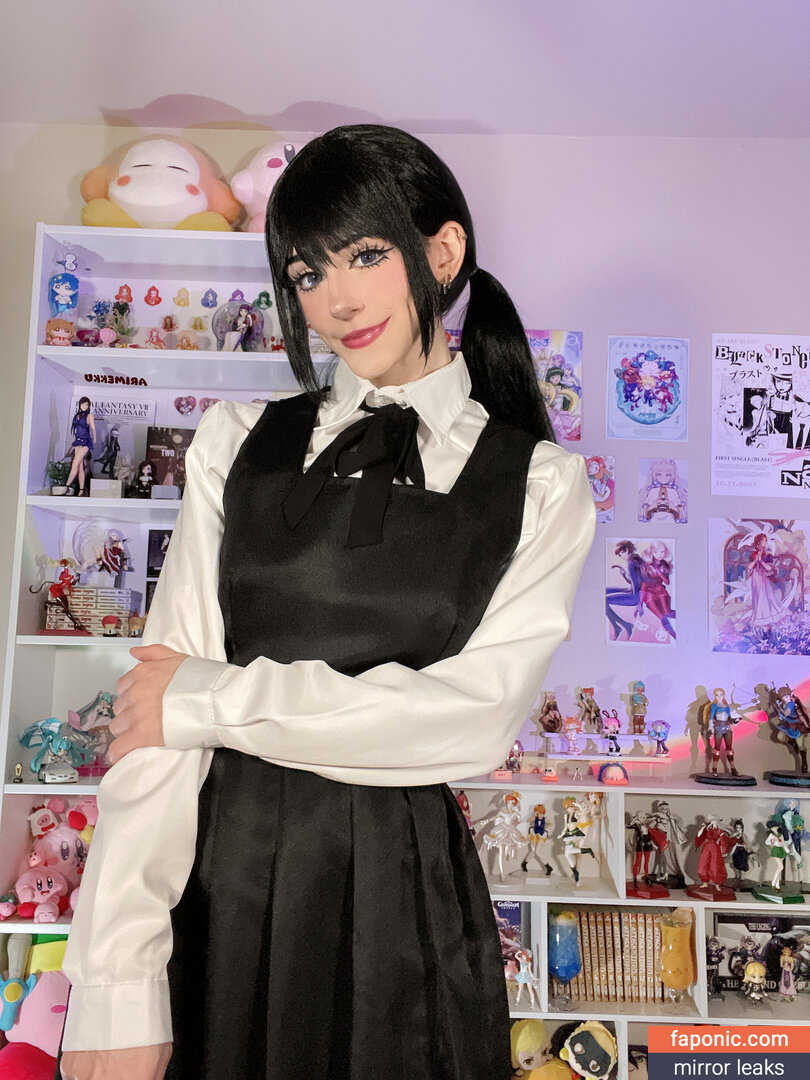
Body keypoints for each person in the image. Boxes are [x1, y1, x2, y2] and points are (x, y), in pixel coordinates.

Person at [60, 125, 595, 1080]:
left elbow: (471, 722)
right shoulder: (235, 442)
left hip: (405, 913)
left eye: (366, 255)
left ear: (443, 252)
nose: (335, 300)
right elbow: (152, 737)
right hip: (220, 892)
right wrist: (115, 983)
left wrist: (210, 698)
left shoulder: (543, 484)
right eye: (307, 272)